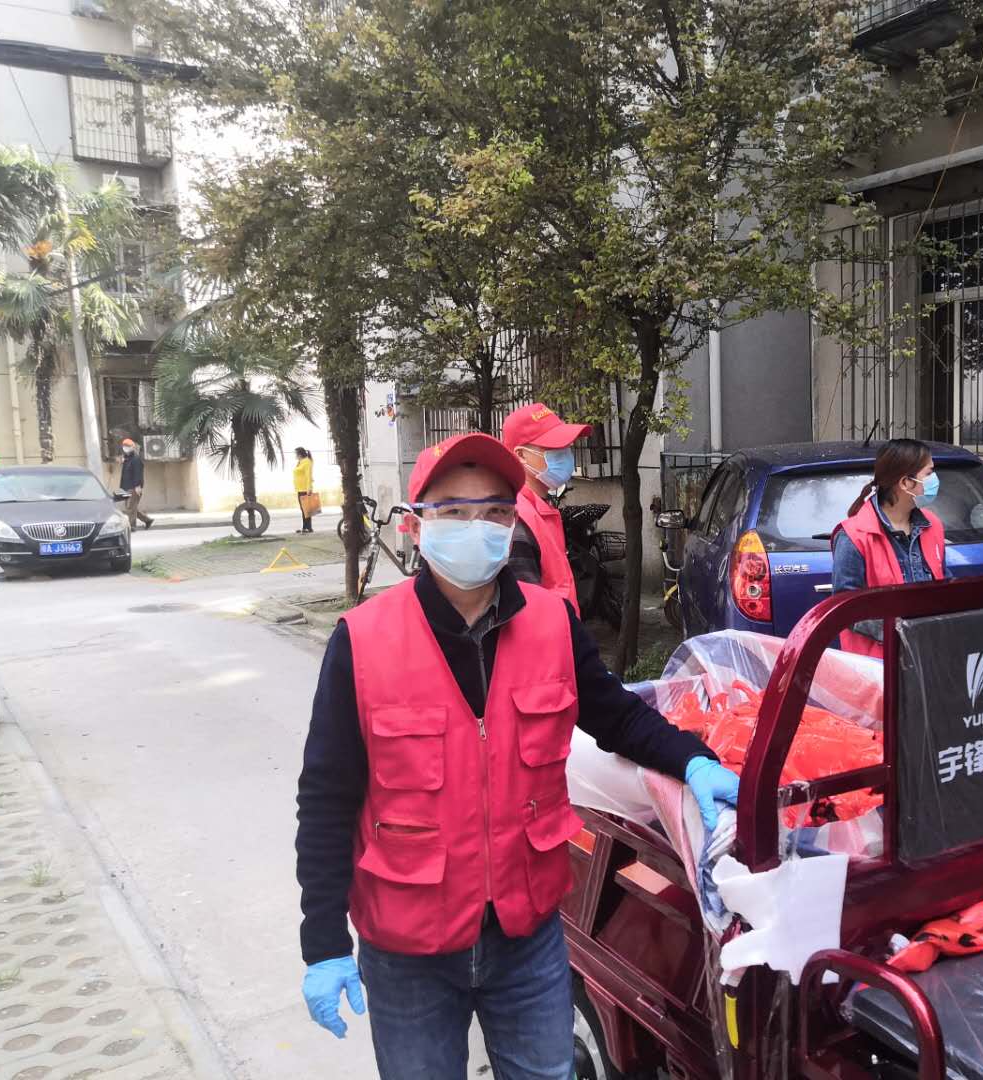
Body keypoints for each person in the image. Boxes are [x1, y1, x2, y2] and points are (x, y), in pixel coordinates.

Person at [295, 432, 739, 1080]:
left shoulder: (551, 624)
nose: (476, 526)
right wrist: (324, 941)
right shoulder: (363, 642)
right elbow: (326, 798)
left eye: (495, 511)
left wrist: (693, 761)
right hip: (408, 947)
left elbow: (616, 716)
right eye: (454, 511)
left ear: (512, 524)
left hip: (526, 936)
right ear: (416, 525)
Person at [830, 439, 947, 657]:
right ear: (905, 483)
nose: (935, 479)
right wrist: (901, 632)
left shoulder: (933, 526)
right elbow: (845, 609)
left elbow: (944, 588)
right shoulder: (854, 535)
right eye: (929, 473)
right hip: (877, 666)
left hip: (928, 657)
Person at [502, 403, 591, 613]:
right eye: (554, 449)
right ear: (521, 455)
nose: (566, 455)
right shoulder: (518, 520)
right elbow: (525, 613)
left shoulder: (538, 508)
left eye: (566, 447)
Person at [119, 438, 153, 531]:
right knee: (130, 508)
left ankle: (132, 526)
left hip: (134, 487)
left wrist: (138, 486)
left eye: (128, 446)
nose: (125, 448)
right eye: (124, 446)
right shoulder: (126, 459)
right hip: (125, 487)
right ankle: (147, 520)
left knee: (130, 508)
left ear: (132, 447)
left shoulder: (136, 459)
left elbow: (138, 474)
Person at [294, 447, 315, 533]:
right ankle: (305, 527)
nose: (295, 455)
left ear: (299, 454)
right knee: (303, 509)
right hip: (300, 489)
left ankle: (308, 528)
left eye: (296, 454)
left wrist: (309, 488)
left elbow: (308, 475)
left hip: (305, 489)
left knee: (306, 509)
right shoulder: (300, 462)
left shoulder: (307, 462)